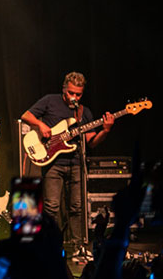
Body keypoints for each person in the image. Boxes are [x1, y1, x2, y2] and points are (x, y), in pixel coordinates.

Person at [21, 72, 114, 259]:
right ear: (64, 89)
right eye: (71, 93)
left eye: (78, 94)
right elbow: (25, 115)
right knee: (51, 206)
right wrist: (41, 125)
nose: (75, 97)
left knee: (77, 207)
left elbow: (92, 142)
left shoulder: (84, 112)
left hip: (76, 163)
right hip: (53, 162)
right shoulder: (50, 101)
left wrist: (105, 130)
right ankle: (49, 244)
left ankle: (79, 246)